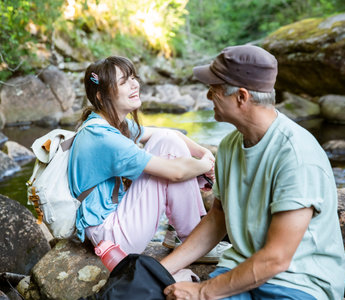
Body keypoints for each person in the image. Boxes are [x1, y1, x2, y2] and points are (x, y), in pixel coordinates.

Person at [161, 45, 345, 299]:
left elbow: (276, 259)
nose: (207, 96)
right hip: (238, 271)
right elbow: (218, 218)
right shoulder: (229, 146)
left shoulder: (296, 155)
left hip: (297, 283)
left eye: (213, 90)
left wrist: (202, 291)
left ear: (241, 97)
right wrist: (160, 269)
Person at [67, 56, 229, 259]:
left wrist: (203, 153)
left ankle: (181, 234)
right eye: (124, 82)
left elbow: (169, 134)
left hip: (113, 222)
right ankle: (192, 240)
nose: (135, 84)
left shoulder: (110, 124)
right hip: (111, 237)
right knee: (167, 162)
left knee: (166, 139)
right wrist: (204, 165)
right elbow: (176, 173)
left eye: (133, 78)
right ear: (101, 96)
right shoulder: (102, 137)